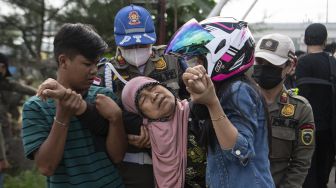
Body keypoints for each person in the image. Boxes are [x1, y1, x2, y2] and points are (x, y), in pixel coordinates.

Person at [166, 17, 275, 187]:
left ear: (224, 53)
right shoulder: (222, 89)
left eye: (201, 58)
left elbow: (240, 151)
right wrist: (199, 99)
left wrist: (212, 104)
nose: (197, 65)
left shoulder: (238, 90)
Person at [91, 4, 188, 187]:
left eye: (142, 44)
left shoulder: (173, 61)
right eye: (130, 45)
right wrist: (129, 131)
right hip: (136, 163)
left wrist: (157, 130)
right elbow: (101, 116)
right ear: (118, 41)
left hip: (179, 155)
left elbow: (191, 101)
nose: (137, 48)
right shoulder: (106, 73)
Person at [21, 23, 126, 188]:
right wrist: (62, 115)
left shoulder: (104, 97)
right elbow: (46, 167)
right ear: (63, 61)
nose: (93, 71)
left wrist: (116, 118)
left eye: (96, 64)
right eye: (87, 64)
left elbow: (118, 156)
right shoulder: (36, 107)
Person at [252, 33, 315, 187]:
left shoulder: (301, 110)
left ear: (290, 66)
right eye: (260, 61)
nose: (264, 67)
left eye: (272, 64)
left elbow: (300, 164)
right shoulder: (241, 102)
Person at [295, 23, 336, 188]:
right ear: (325, 40)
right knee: (323, 175)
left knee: (306, 172)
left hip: (304, 127)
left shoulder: (300, 63)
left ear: (305, 40)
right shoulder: (332, 62)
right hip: (328, 128)